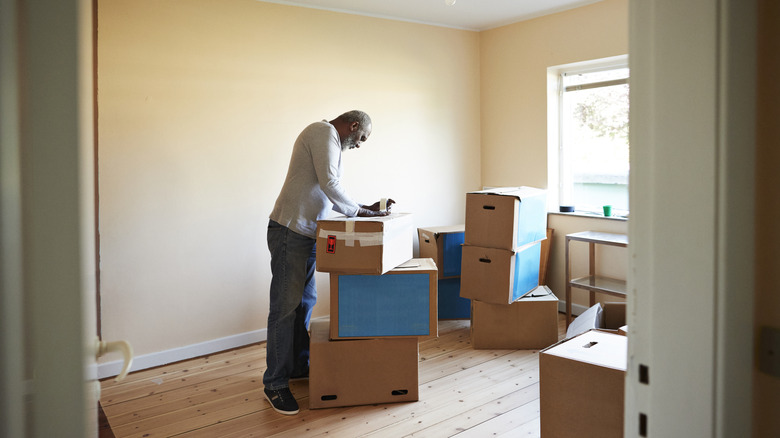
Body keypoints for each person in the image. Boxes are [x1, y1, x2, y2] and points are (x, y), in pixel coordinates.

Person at [263, 110, 395, 415]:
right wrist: (363, 212)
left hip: (307, 233)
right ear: (353, 126)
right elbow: (330, 183)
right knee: (284, 309)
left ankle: (298, 367)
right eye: (362, 137)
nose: (360, 145)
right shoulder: (323, 133)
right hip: (290, 231)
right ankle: (275, 384)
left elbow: (328, 188)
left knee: (305, 302)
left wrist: (362, 207)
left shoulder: (330, 140)